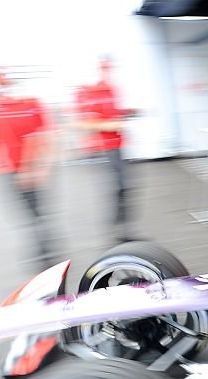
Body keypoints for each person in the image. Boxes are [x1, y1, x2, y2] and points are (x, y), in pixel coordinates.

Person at [0, 71, 57, 269]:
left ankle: (45, 252)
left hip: (26, 166)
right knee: (30, 212)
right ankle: (43, 249)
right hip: (12, 169)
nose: (0, 90)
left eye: (0, 85)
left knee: (35, 211)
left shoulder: (26, 105)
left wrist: (34, 168)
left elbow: (41, 136)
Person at [75, 57, 134, 243]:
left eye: (108, 68)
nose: (107, 72)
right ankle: (114, 232)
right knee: (115, 188)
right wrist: (112, 124)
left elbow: (113, 113)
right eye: (103, 68)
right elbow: (86, 122)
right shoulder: (89, 92)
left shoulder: (112, 90)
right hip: (102, 148)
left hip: (117, 145)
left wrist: (127, 113)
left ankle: (122, 229)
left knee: (124, 188)